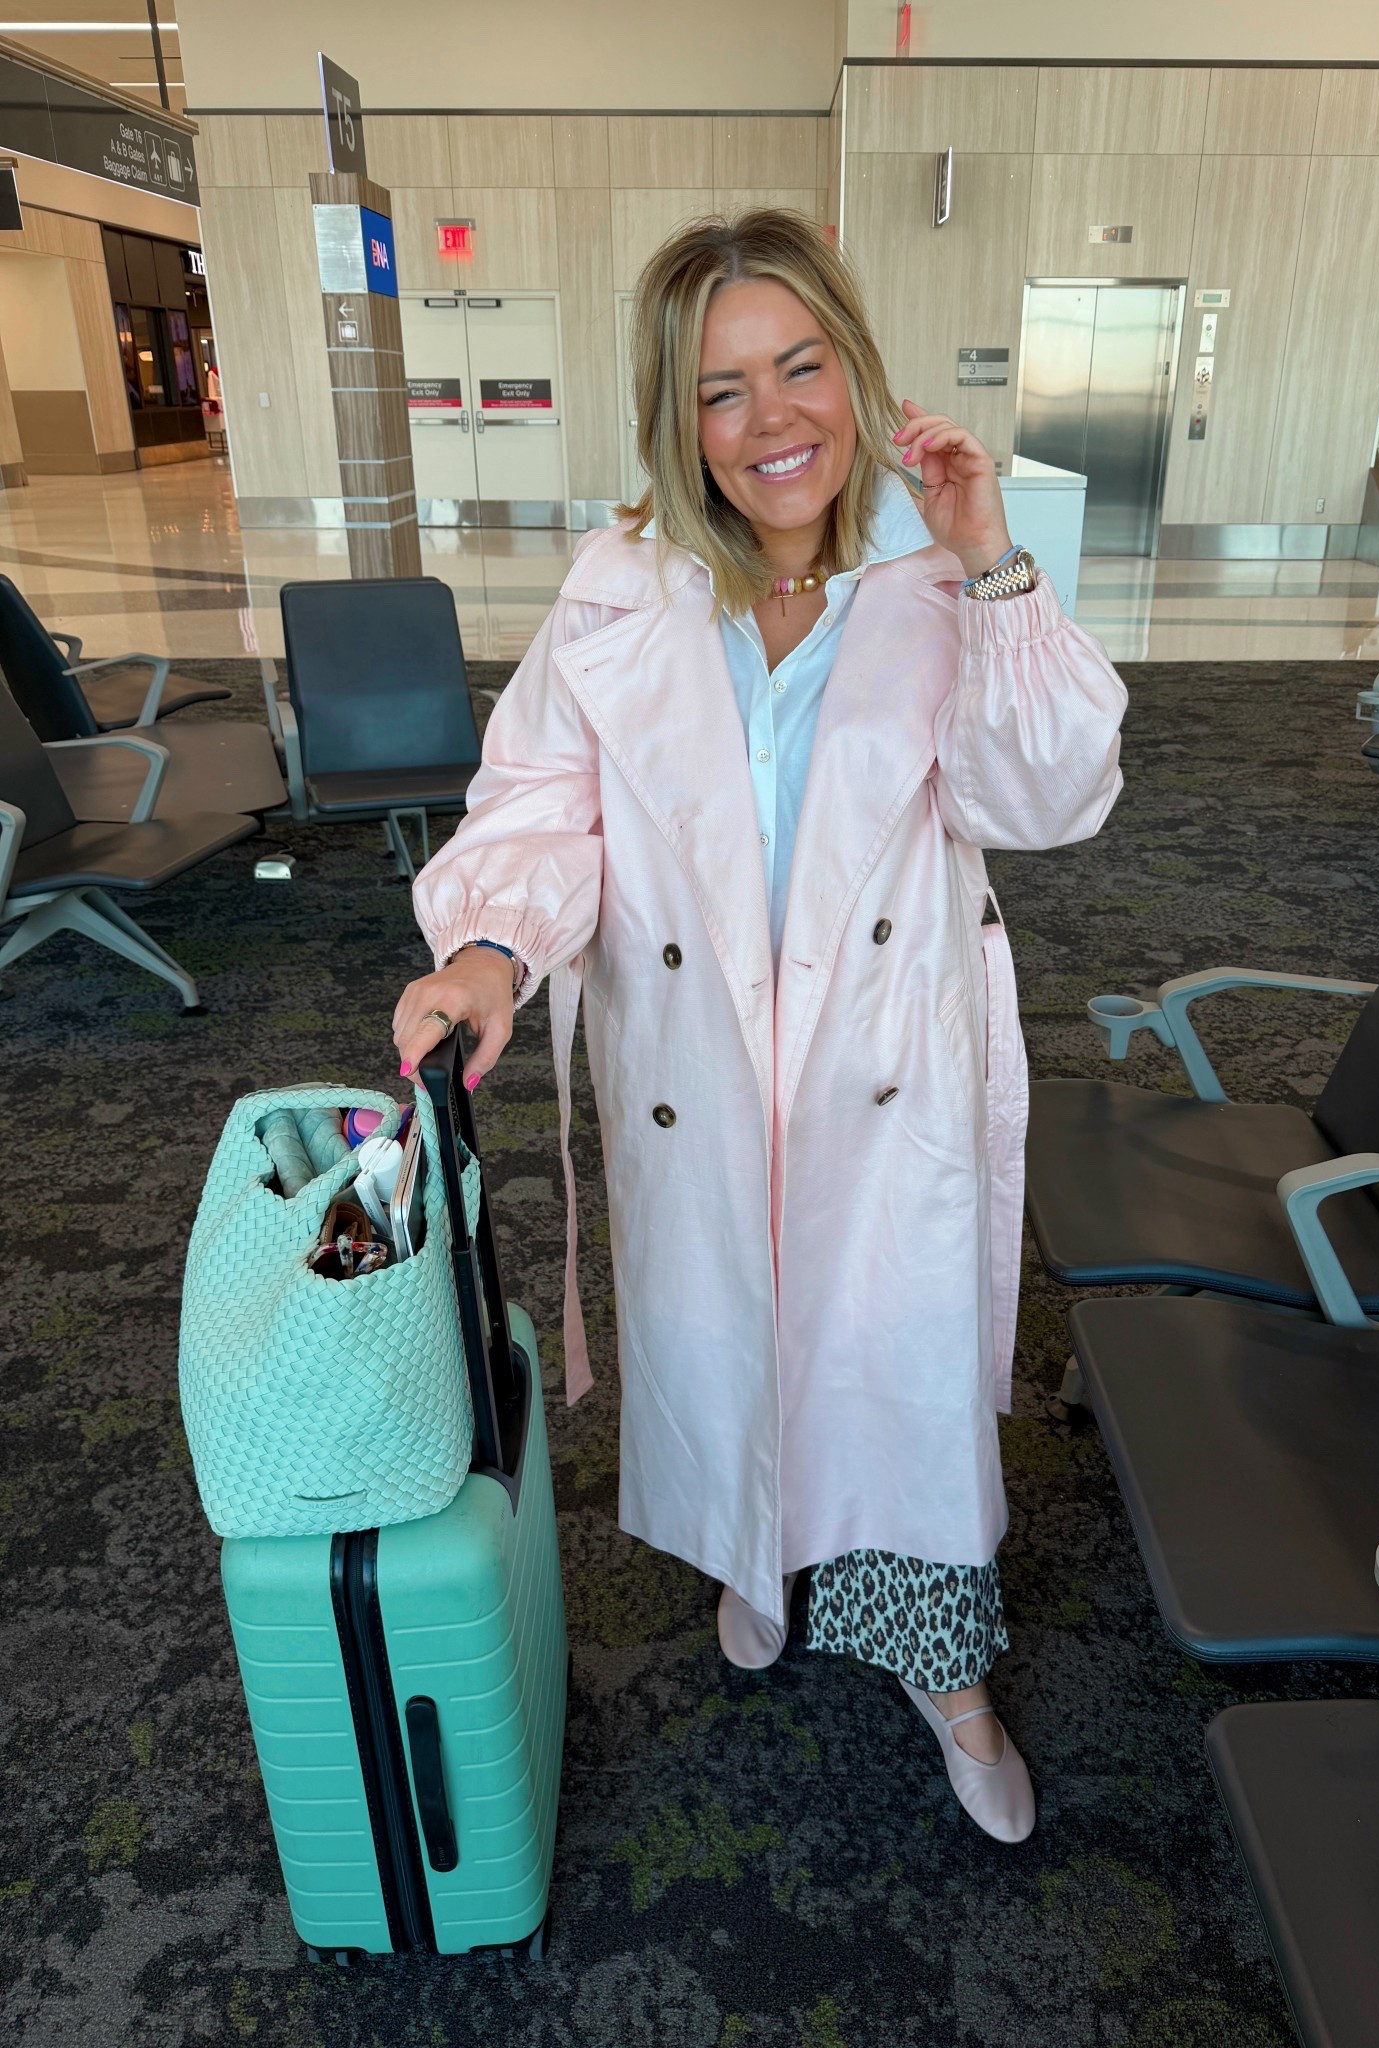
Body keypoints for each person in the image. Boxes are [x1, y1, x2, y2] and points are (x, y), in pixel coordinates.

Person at [393, 209, 1127, 1843]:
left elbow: (1050, 797)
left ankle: (945, 1669)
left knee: (890, 1371)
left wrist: (991, 558)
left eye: (801, 367)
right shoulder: (624, 589)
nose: (771, 419)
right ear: (680, 417)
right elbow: (542, 799)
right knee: (727, 1337)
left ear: (854, 372)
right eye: (721, 390)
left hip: (884, 1069)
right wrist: (493, 953)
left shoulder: (936, 577)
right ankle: (759, 1551)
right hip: (700, 1066)